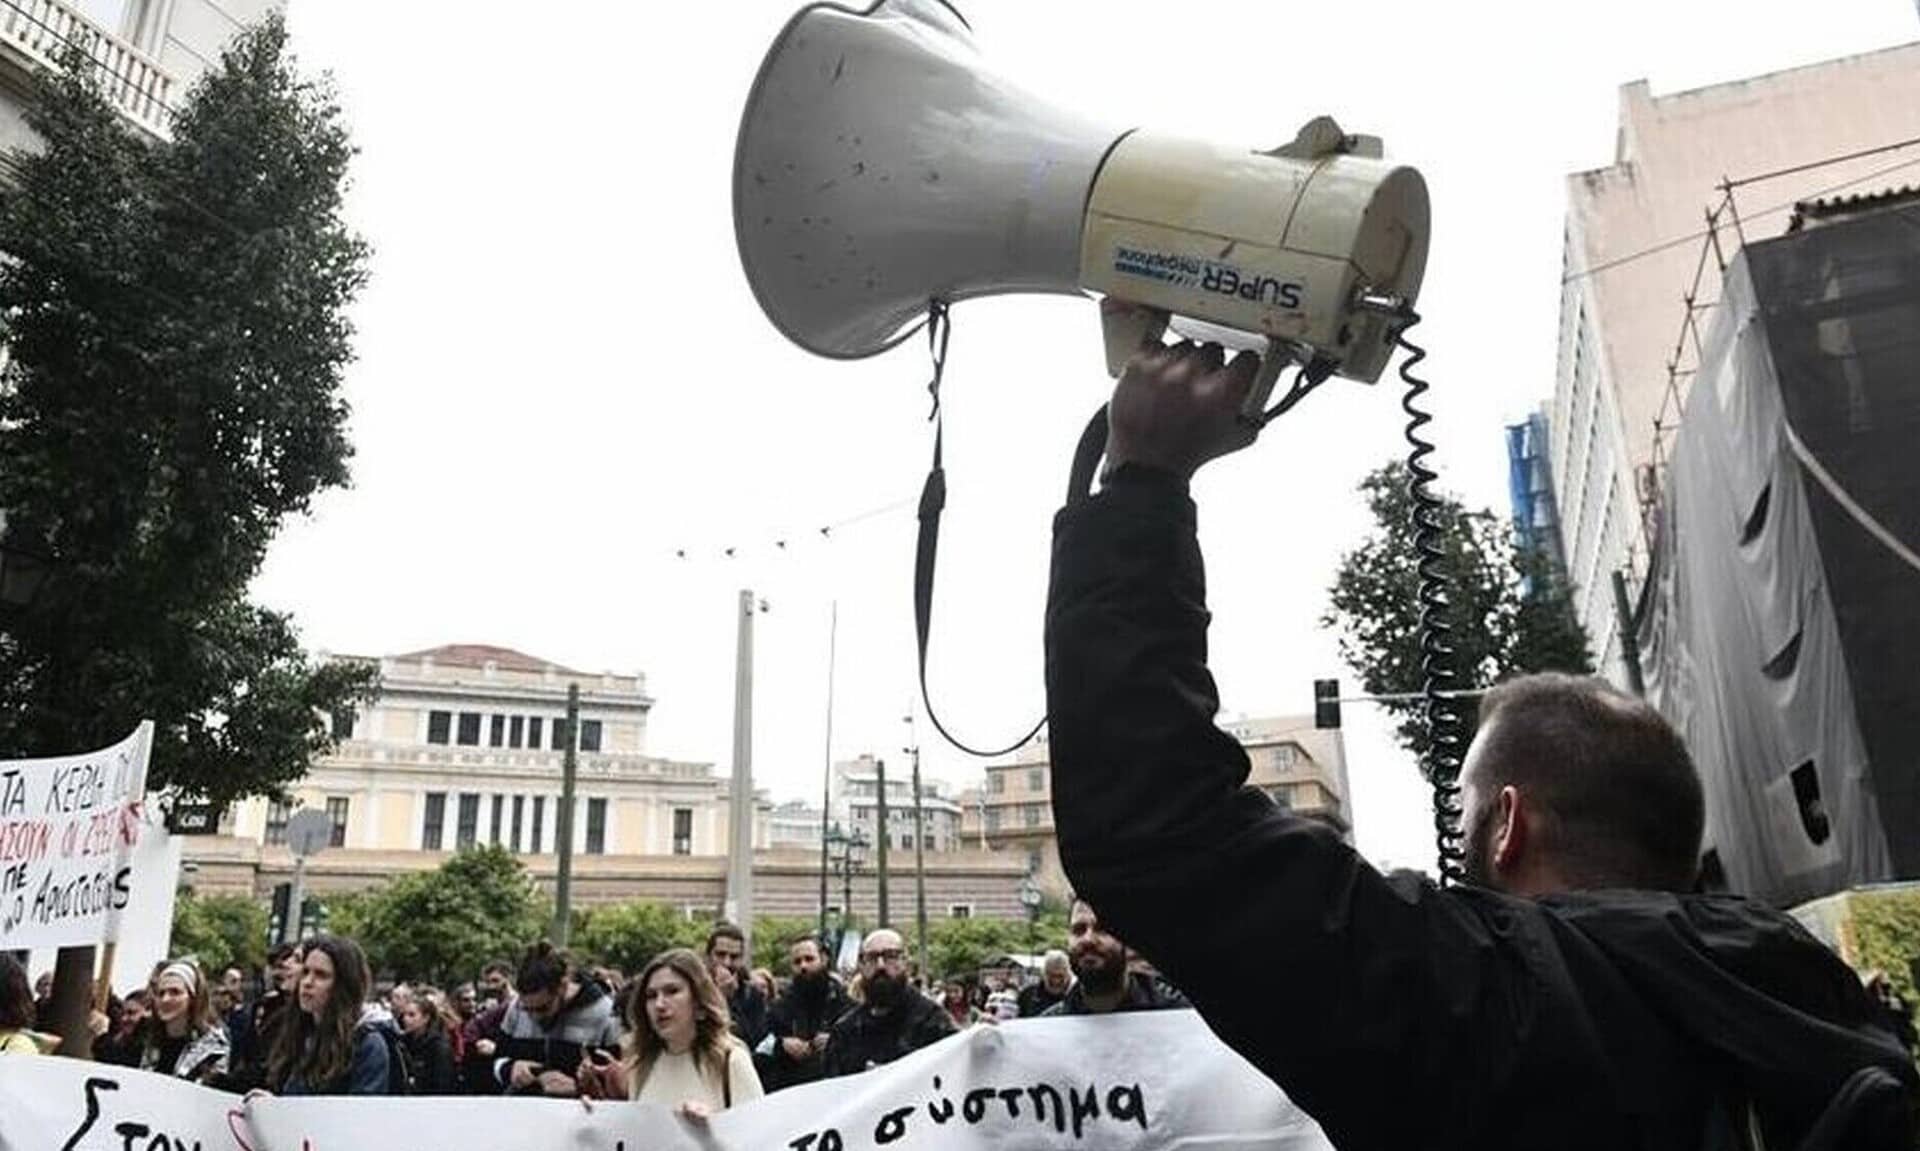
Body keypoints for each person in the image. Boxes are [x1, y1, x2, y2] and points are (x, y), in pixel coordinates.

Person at [1044, 333, 1920, 1149]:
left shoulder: (1500, 1000)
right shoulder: (1825, 1007)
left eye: (1462, 812)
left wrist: (1144, 482)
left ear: (1508, 825)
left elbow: (1157, 826)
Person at [576, 948, 763, 1118]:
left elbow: (760, 1136)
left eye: (672, 991)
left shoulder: (731, 1060)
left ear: (699, 1002)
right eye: (651, 996)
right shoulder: (641, 1063)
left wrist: (713, 1126)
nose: (659, 1004)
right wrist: (599, 1114)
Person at [472, 941, 619, 1097]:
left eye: (543, 1008)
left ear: (562, 987)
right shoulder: (516, 1007)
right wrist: (510, 1068)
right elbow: (497, 1060)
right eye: (527, 1010)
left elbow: (619, 1085)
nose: (534, 1017)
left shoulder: (605, 1014)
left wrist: (579, 1087)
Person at [262, 934, 391, 1095]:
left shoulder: (367, 1045)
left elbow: (363, 1107)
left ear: (343, 985)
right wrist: (273, 1104)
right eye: (305, 972)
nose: (308, 982)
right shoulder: (301, 1033)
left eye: (321, 975)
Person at [821, 929, 955, 1077]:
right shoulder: (845, 1032)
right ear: (861, 965)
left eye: (890, 956)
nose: (880, 966)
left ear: (906, 963)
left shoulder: (933, 1022)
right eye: (871, 958)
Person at [1039, 899, 1187, 1016]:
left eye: (1102, 928)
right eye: (1079, 930)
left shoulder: (1180, 1014)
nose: (1088, 939)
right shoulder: (1049, 1025)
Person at [763, 934, 849, 1091]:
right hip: (791, 1089)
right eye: (797, 962)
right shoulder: (779, 1007)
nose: (803, 966)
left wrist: (835, 1041)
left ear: (823, 959)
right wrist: (781, 1044)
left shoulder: (844, 1003)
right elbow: (760, 1043)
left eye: (809, 959)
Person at [131, 960, 231, 1082]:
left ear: (193, 998)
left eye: (175, 992)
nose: (165, 999)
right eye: (160, 993)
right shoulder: (145, 1036)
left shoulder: (213, 1046)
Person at [705, 923, 768, 1049]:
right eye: (720, 955)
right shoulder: (693, 990)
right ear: (709, 956)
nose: (727, 963)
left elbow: (754, 1041)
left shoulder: (752, 995)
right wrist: (719, 997)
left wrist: (730, 1001)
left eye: (734, 957)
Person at [397, 985, 460, 1094]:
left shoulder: (439, 1047)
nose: (405, 1019)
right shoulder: (403, 1042)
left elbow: (443, 1084)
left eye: (412, 1015)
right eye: (404, 1015)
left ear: (426, 1018)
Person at [1, 953, 54, 1055]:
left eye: (50, 985)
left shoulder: (18, 1046)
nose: (47, 989)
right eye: (44, 984)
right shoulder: (34, 1006)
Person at [1016, 950, 1073, 1019]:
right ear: (1044, 974)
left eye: (1060, 976)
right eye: (1051, 976)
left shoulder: (1076, 998)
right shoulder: (1027, 995)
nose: (1056, 981)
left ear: (1068, 975)